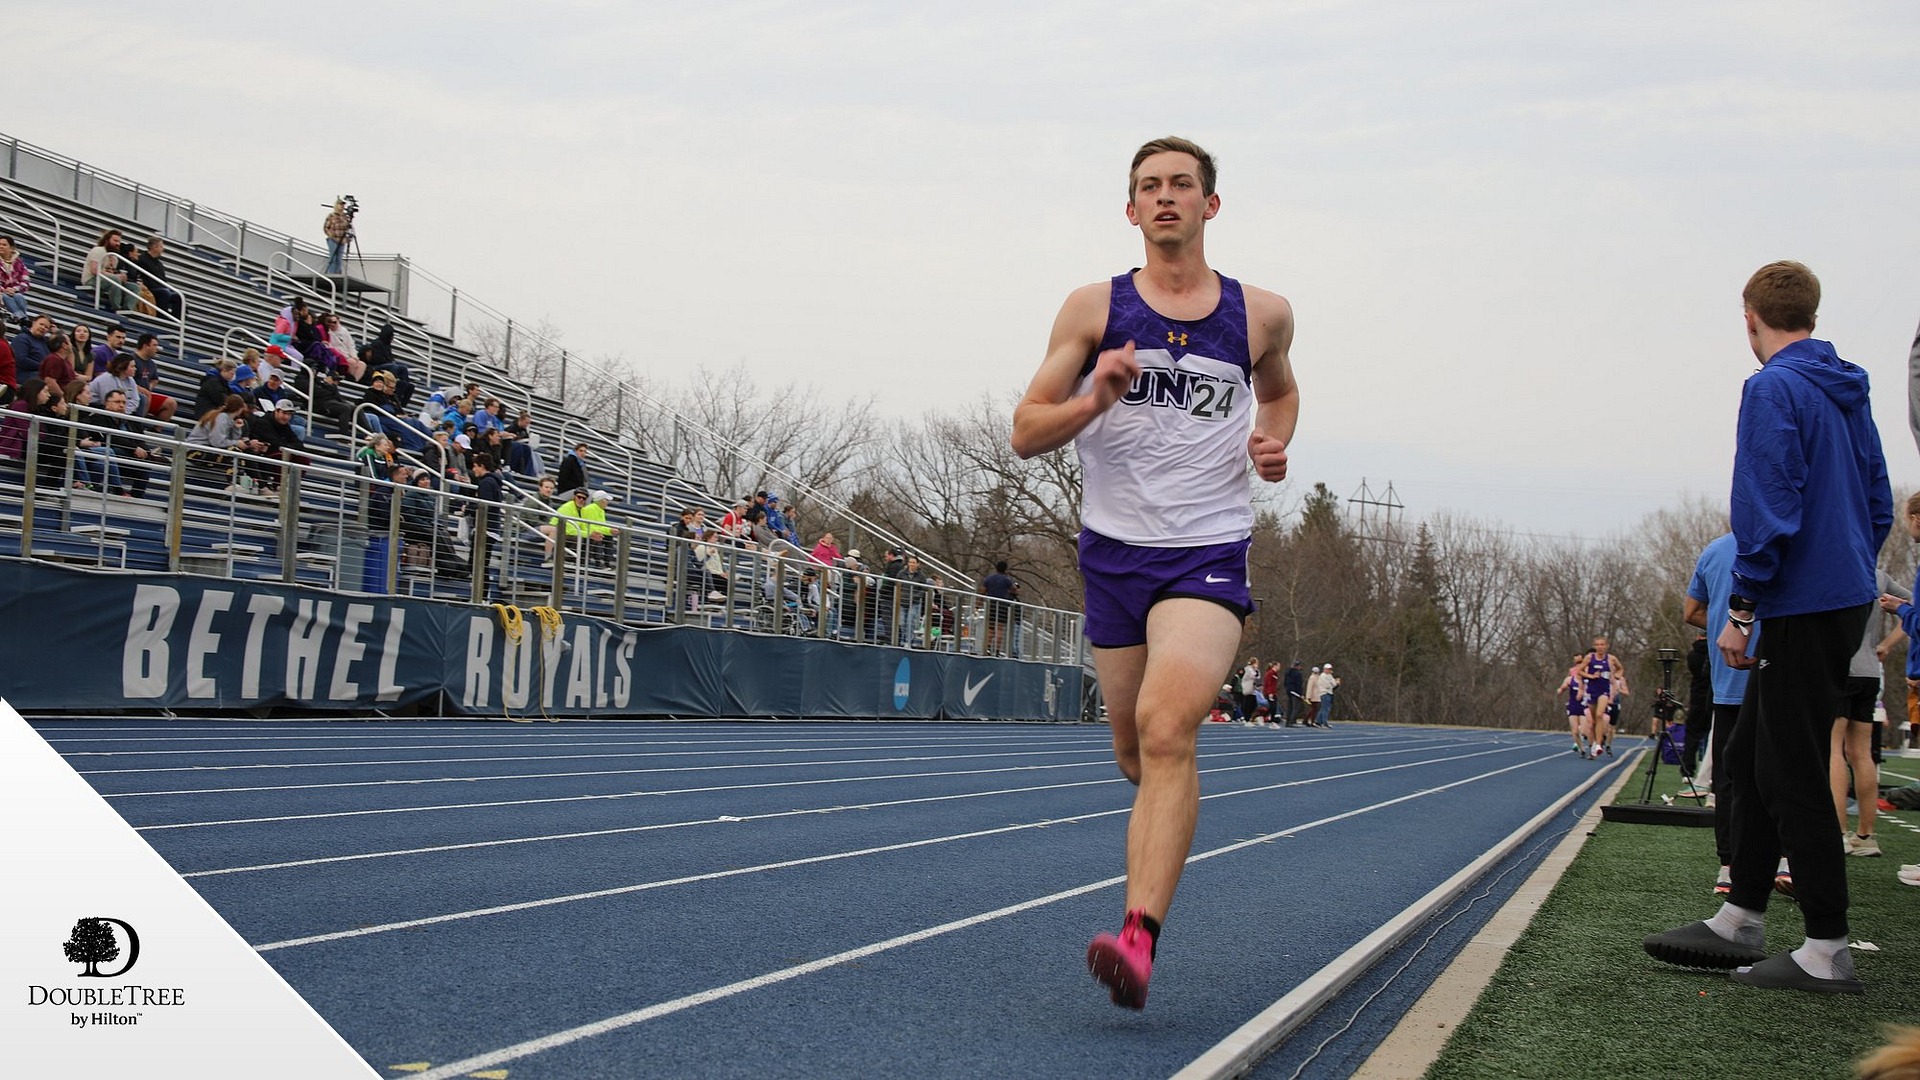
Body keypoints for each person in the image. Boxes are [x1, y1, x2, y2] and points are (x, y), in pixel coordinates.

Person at [1009, 136, 1297, 1010]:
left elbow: (1279, 389)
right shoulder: (1094, 308)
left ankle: (1138, 937)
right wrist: (1094, 399)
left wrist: (1274, 440)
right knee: (1137, 752)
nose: (1165, 197)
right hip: (1113, 554)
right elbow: (1025, 430)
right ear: (1130, 211)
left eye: (1182, 184)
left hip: (1207, 551)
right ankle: (1169, 809)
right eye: (1149, 187)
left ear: (1212, 205)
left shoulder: (1262, 315)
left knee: (1170, 727)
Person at [1645, 260, 1891, 995]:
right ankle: (1741, 916)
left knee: (1788, 769)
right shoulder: (1848, 391)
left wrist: (1742, 607)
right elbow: (1878, 501)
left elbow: (1768, 501)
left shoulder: (1771, 388)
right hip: (1840, 591)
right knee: (1751, 750)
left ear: (1750, 319)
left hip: (1800, 599)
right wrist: (1846, 566)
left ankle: (1826, 947)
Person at [1577, 636, 1628, 757]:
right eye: (1598, 645)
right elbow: (1580, 671)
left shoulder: (1611, 659)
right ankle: (1594, 742)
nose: (1600, 647)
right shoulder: (1590, 657)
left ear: (1606, 646)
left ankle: (1599, 744)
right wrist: (1590, 676)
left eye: (1602, 645)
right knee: (1594, 720)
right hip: (1592, 690)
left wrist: (1616, 676)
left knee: (1600, 715)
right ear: (1595, 646)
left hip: (1604, 691)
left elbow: (1621, 669)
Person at [81, 229, 140, 312]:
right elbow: (94, 270)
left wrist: (120, 276)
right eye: (115, 240)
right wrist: (116, 276)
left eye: (119, 241)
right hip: (91, 279)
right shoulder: (98, 250)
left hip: (105, 280)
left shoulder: (114, 257)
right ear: (107, 240)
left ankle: (127, 309)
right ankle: (116, 308)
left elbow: (110, 273)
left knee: (134, 287)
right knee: (115, 280)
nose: (117, 244)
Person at [133, 237, 181, 319]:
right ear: (154, 247)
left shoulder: (159, 264)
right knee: (164, 292)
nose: (163, 249)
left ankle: (176, 319)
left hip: (160, 288)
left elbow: (163, 280)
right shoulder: (142, 259)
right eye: (161, 246)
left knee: (178, 296)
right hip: (149, 288)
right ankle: (161, 316)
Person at [1556, 656, 1592, 757]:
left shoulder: (1588, 681)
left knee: (1584, 731)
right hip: (1573, 706)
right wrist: (1560, 690)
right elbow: (1563, 687)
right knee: (1575, 731)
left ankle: (1590, 745)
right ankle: (1582, 749)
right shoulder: (1570, 679)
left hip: (1584, 706)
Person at [981, 560, 1016, 656]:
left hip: (990, 604)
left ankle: (987, 648)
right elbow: (1014, 590)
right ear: (1005, 569)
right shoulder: (1006, 579)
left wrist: (978, 603)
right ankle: (996, 650)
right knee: (999, 629)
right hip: (1002, 605)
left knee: (990, 628)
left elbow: (983, 591)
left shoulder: (989, 578)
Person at [0, 234, 31, 322]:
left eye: (4, 245)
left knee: (18, 296)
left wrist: (14, 289)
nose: (1, 246)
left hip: (14, 293)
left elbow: (25, 281)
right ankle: (21, 317)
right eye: (0, 244)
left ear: (11, 248)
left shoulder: (19, 263)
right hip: (2, 293)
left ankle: (21, 318)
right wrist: (4, 290)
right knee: (6, 296)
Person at [323, 199, 352, 275]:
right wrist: (330, 235)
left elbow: (349, 229)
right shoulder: (331, 216)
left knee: (339, 259)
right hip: (333, 239)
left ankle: (338, 274)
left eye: (343, 205)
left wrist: (347, 239)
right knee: (333, 258)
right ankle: (332, 274)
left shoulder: (345, 217)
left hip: (342, 241)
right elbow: (326, 227)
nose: (342, 206)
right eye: (340, 204)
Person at [1282, 661, 1306, 726]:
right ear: (1298, 666)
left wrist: (1287, 689)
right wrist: (1301, 694)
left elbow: (1285, 682)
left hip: (1289, 691)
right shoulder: (1298, 674)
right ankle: (1291, 721)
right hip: (1295, 692)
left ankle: (1287, 721)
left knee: (1290, 706)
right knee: (1295, 708)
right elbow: (1298, 685)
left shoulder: (1287, 673)